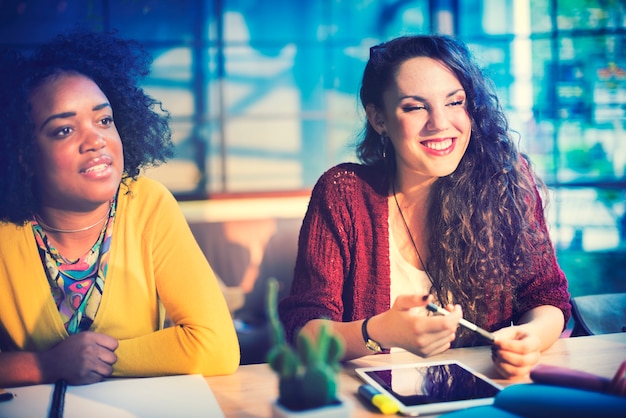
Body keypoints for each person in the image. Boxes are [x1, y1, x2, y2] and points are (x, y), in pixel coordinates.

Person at [279, 35, 571, 379]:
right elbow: (304, 330)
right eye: (415, 107)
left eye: (455, 102)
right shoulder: (344, 193)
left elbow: (547, 297)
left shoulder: (505, 180)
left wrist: (530, 339)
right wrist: (379, 331)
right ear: (379, 119)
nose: (440, 124)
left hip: (489, 394)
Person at [0, 31, 239, 387]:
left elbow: (215, 344)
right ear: (22, 153)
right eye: (64, 130)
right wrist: (46, 366)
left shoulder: (148, 204)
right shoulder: (6, 231)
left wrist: (97, 362)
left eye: (104, 120)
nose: (96, 140)